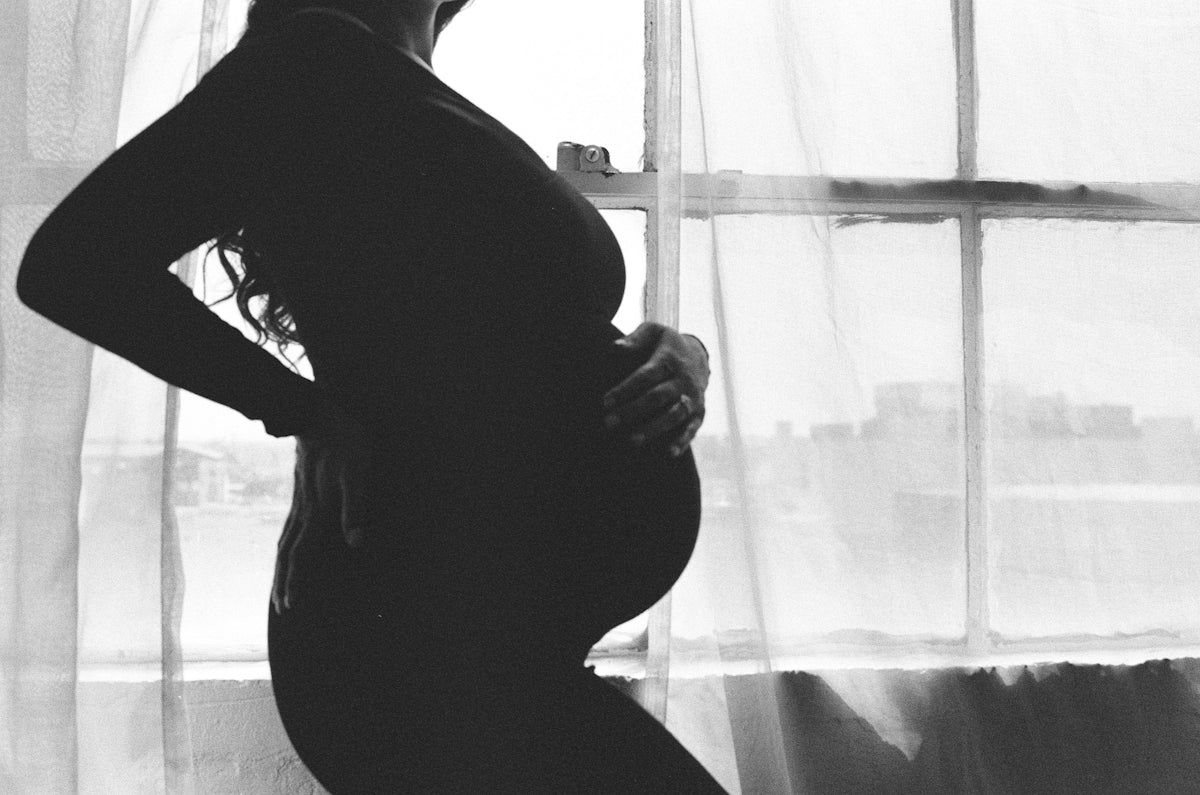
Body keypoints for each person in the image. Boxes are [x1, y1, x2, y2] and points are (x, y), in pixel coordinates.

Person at [17, 0, 725, 791]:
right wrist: (303, 411)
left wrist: (679, 354)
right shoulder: (309, 62)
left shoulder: (390, 86)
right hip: (414, 642)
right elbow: (74, 262)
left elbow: (501, 335)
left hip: (490, 633)